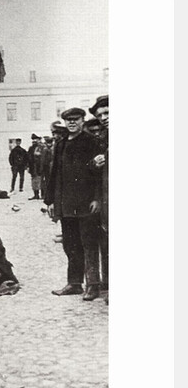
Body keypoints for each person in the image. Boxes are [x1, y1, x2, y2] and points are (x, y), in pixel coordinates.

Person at [44, 107, 103, 301]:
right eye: (68, 120)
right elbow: (54, 174)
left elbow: (98, 174)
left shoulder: (91, 142)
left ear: (82, 121)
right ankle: (75, 283)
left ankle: (93, 285)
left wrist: (96, 198)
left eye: (75, 120)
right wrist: (51, 201)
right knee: (70, 244)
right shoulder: (60, 144)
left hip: (86, 203)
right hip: (66, 203)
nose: (72, 123)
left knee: (89, 244)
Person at [90, 95, 109, 298]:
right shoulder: (102, 137)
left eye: (107, 113)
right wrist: (95, 164)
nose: (104, 117)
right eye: (100, 115)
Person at [27, 134, 46, 200]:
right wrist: (28, 166)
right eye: (33, 139)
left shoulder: (42, 147)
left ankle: (43, 195)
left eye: (36, 139)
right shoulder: (31, 148)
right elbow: (28, 158)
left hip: (40, 166)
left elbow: (43, 157)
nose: (35, 140)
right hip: (33, 167)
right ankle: (36, 195)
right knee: (34, 181)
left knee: (42, 181)